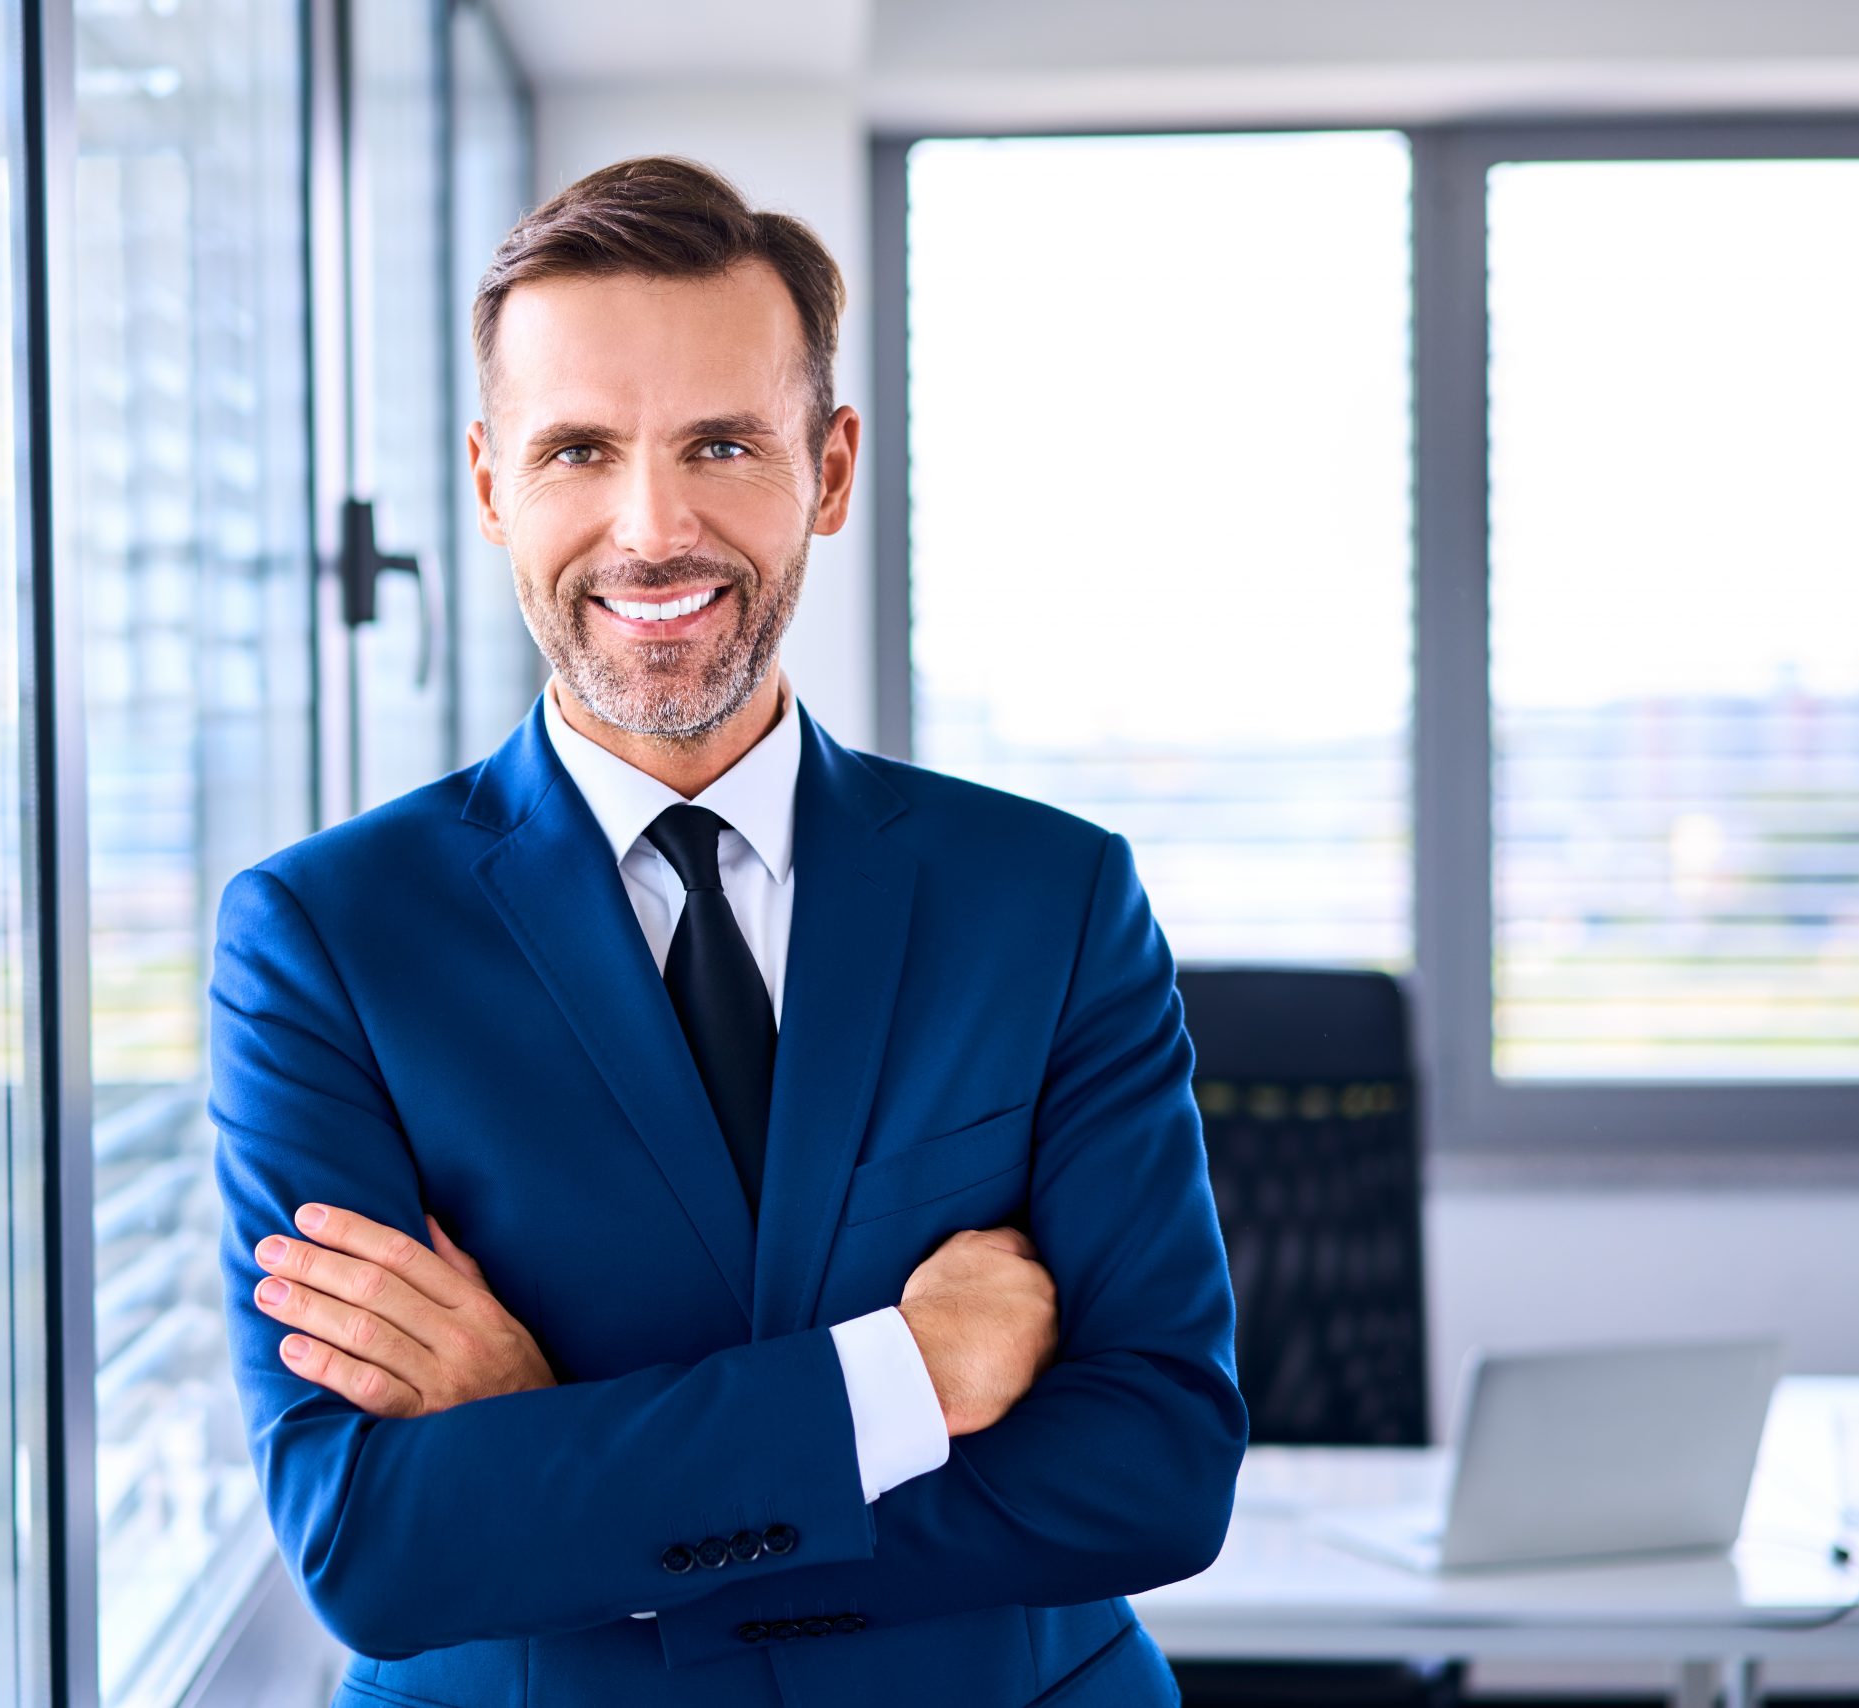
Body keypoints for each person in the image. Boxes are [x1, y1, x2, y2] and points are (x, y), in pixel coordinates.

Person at [209, 155, 1246, 1708]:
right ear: (492, 484)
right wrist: (902, 1379)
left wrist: (564, 1464)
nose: (650, 528)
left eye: (719, 443)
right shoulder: (324, 941)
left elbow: (1157, 1467)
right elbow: (376, 1545)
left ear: (827, 471)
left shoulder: (1052, 898)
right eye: (577, 451)